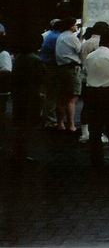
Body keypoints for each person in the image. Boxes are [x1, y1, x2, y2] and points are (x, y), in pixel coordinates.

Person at [83, 27, 109, 168]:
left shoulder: (90, 57)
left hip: (92, 94)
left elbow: (86, 72)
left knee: (95, 128)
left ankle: (96, 159)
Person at [10, 29, 46, 162]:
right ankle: (21, 153)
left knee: (22, 126)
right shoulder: (34, 59)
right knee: (28, 125)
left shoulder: (20, 57)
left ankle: (19, 152)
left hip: (20, 96)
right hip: (31, 97)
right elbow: (40, 78)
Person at [55, 17, 82, 132]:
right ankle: (71, 125)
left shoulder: (61, 37)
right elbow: (81, 51)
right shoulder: (71, 37)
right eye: (75, 25)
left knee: (62, 97)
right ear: (71, 26)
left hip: (62, 68)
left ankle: (60, 123)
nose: (76, 27)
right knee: (72, 98)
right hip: (72, 68)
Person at [39, 19, 61, 127]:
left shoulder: (50, 35)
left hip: (47, 66)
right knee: (52, 93)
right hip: (51, 67)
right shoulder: (56, 38)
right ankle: (50, 119)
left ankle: (48, 116)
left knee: (50, 93)